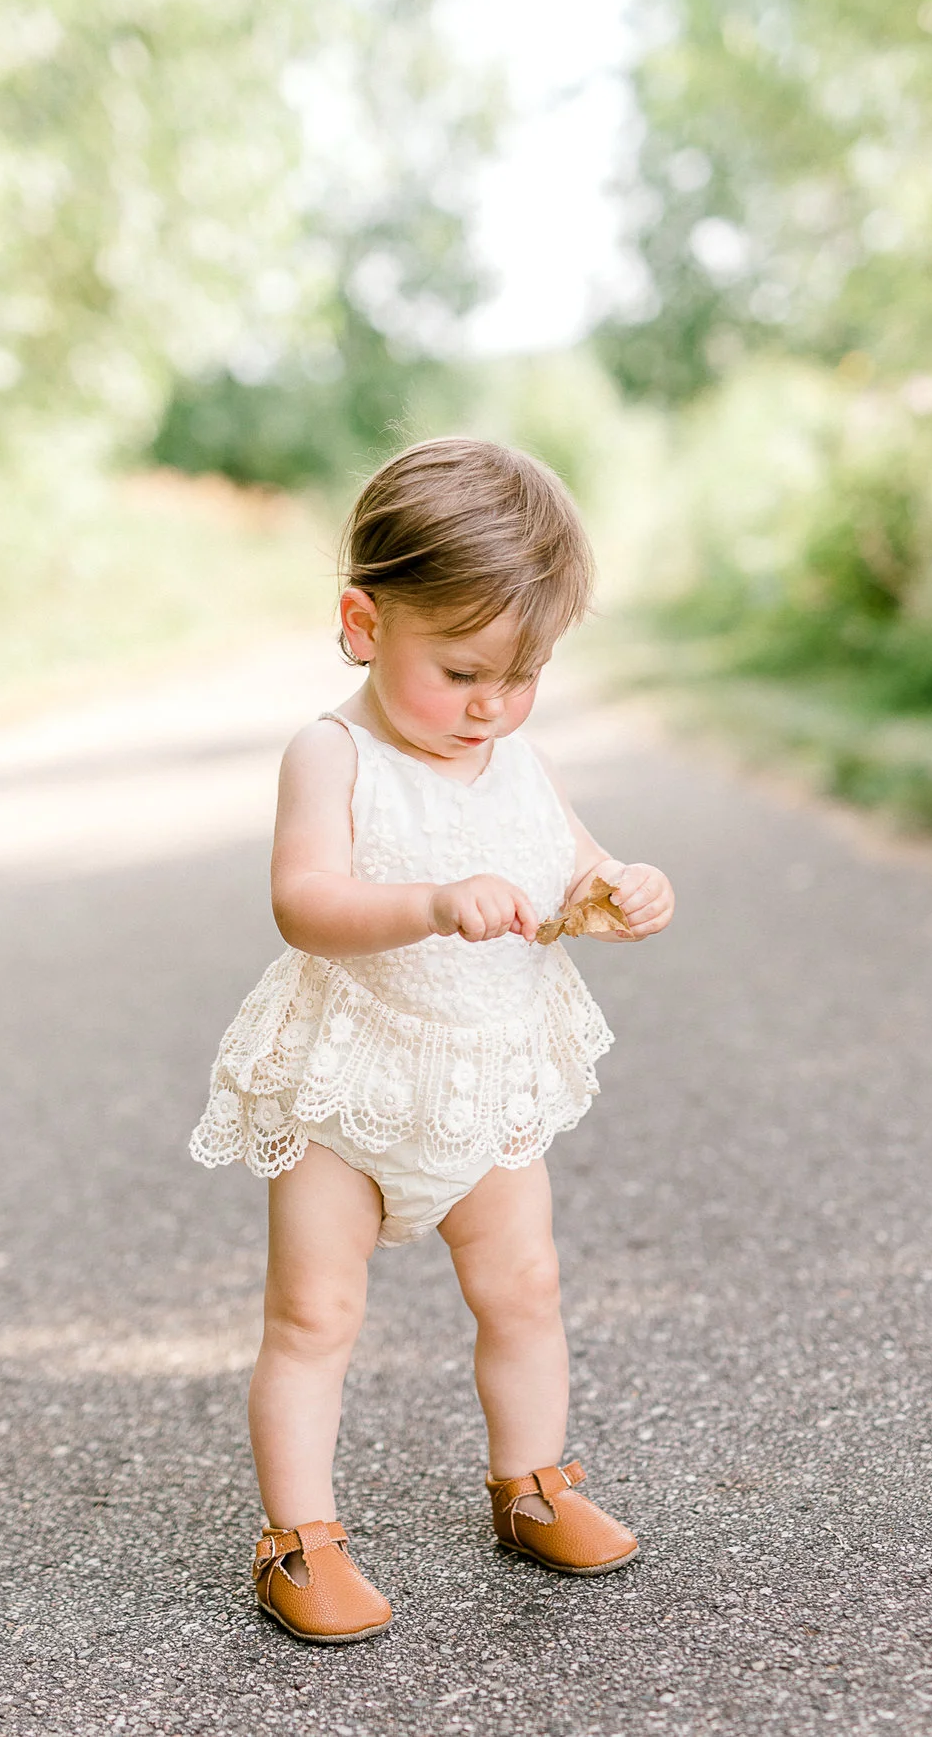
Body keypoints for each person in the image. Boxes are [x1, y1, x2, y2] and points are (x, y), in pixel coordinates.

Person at [189, 438, 675, 1643]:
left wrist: (616, 887)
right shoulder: (333, 754)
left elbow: (570, 864)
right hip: (348, 1085)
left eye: (524, 675)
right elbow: (304, 903)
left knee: (524, 1287)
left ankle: (531, 1480)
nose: (491, 706)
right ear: (363, 622)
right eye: (460, 671)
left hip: (484, 1083)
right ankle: (299, 1538)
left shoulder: (515, 756)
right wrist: (427, 901)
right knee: (313, 1316)